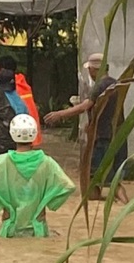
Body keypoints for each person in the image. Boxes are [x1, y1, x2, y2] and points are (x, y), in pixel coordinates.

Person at [45, 53, 128, 203]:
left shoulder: (101, 85)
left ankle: (124, 203)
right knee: (96, 175)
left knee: (107, 178)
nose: (89, 72)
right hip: (115, 135)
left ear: (95, 69)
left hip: (104, 137)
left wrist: (60, 114)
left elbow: (85, 106)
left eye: (89, 69)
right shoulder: (115, 83)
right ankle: (99, 198)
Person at [0, 115, 75, 238]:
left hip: (10, 228)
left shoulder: (2, 161)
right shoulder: (46, 162)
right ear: (34, 134)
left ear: (12, 134)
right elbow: (67, 186)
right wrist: (45, 203)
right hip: (38, 229)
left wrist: (4, 205)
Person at [0, 55, 42, 148]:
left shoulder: (6, 86)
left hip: (17, 133)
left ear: (1, 70)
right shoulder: (23, 84)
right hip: (30, 132)